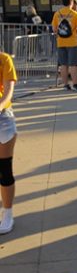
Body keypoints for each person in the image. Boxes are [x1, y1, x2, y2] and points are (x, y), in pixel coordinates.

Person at [0, 50, 18, 234]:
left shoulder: (4, 60)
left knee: (4, 169)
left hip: (2, 119)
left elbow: (8, 93)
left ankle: (8, 213)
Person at [52, 0, 77, 91]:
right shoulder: (75, 14)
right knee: (73, 65)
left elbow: (54, 29)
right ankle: (75, 84)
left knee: (63, 65)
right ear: (72, 2)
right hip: (73, 42)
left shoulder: (57, 14)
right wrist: (76, 33)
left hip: (61, 42)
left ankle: (65, 84)